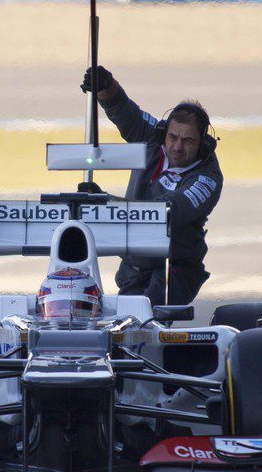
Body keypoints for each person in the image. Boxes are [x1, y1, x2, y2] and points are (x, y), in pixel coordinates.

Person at [79, 66, 223, 306]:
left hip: (173, 270)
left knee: (145, 325)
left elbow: (168, 210)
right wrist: (105, 86)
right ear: (165, 132)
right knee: (125, 332)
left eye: (188, 141)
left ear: (202, 144)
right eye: (173, 137)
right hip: (133, 267)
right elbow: (126, 112)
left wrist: (106, 202)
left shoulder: (207, 178)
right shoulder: (152, 137)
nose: (177, 147)